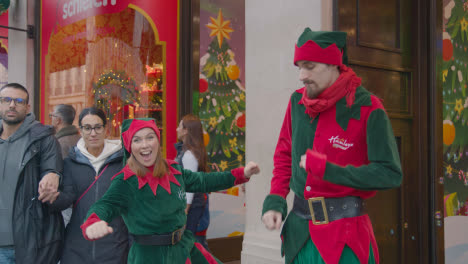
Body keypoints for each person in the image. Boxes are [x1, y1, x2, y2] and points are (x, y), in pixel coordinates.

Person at [261, 28, 403, 264]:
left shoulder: (369, 107)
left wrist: (329, 170)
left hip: (344, 239)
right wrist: (275, 200)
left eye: (310, 66)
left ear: (333, 65)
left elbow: (390, 173)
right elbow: (284, 155)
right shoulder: (297, 102)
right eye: (299, 67)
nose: (302, 76)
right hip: (299, 236)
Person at [81, 118, 260, 263]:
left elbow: (205, 180)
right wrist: (93, 221)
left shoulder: (173, 169)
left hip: (184, 249)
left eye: (150, 137)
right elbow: (105, 205)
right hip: (149, 257)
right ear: (130, 147)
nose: (144, 145)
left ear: (158, 141)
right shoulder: (125, 181)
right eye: (137, 140)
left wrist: (240, 174)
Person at [49, 107, 129, 264]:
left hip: (115, 248)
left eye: (98, 127)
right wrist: (51, 197)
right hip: (78, 249)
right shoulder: (70, 163)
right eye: (87, 128)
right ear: (81, 130)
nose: (93, 133)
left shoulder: (123, 163)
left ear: (106, 129)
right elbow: (66, 198)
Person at [0, 83, 64, 264]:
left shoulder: (43, 139)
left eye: (19, 101)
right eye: (6, 100)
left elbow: (54, 170)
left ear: (27, 108)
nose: (12, 105)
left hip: (28, 245)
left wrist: (53, 175)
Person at [174, 114, 211, 249]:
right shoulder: (187, 152)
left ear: (186, 130)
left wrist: (184, 212)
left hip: (193, 208)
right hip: (195, 206)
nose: (176, 129)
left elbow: (190, 186)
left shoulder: (189, 155)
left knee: (194, 245)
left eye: (179, 126)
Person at [50, 104, 81, 226]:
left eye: (51, 116)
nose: (50, 119)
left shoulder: (59, 143)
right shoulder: (79, 139)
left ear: (58, 120)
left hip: (66, 202)